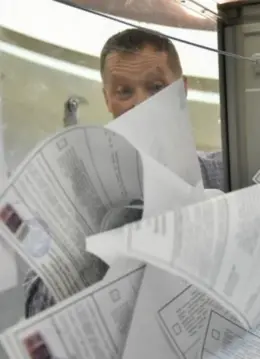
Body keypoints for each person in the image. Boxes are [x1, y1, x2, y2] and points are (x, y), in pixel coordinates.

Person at [23, 28, 225, 317]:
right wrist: (92, 235)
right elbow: (35, 308)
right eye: (124, 92)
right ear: (107, 99)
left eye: (156, 87)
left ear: (182, 88)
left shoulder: (222, 172)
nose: (140, 103)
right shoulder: (67, 192)